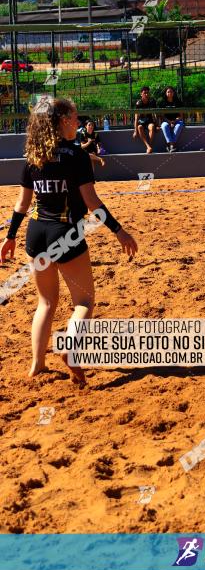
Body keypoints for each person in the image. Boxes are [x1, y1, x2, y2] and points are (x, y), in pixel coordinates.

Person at [0, 96, 138, 385]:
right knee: (85, 301)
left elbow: (22, 203)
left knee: (46, 302)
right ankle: (71, 347)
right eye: (74, 118)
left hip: (36, 233)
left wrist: (10, 237)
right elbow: (92, 203)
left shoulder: (34, 155)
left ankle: (37, 364)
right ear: (62, 121)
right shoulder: (76, 155)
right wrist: (119, 231)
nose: (78, 122)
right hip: (65, 234)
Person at [159, 85, 184, 153]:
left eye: (171, 92)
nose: (170, 93)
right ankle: (172, 145)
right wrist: (170, 122)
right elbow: (162, 116)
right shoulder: (162, 102)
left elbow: (181, 116)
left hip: (177, 120)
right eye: (168, 92)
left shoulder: (178, 102)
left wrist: (174, 121)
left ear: (173, 93)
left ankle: (170, 145)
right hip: (166, 121)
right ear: (166, 93)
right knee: (164, 126)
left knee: (180, 125)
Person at [133, 86, 157, 154]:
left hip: (149, 121)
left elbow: (154, 114)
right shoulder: (138, 103)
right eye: (144, 93)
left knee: (152, 127)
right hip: (141, 122)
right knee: (139, 127)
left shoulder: (152, 102)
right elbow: (136, 117)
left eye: (147, 93)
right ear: (141, 94)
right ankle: (148, 146)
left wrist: (157, 125)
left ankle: (150, 146)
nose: (146, 94)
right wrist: (135, 131)